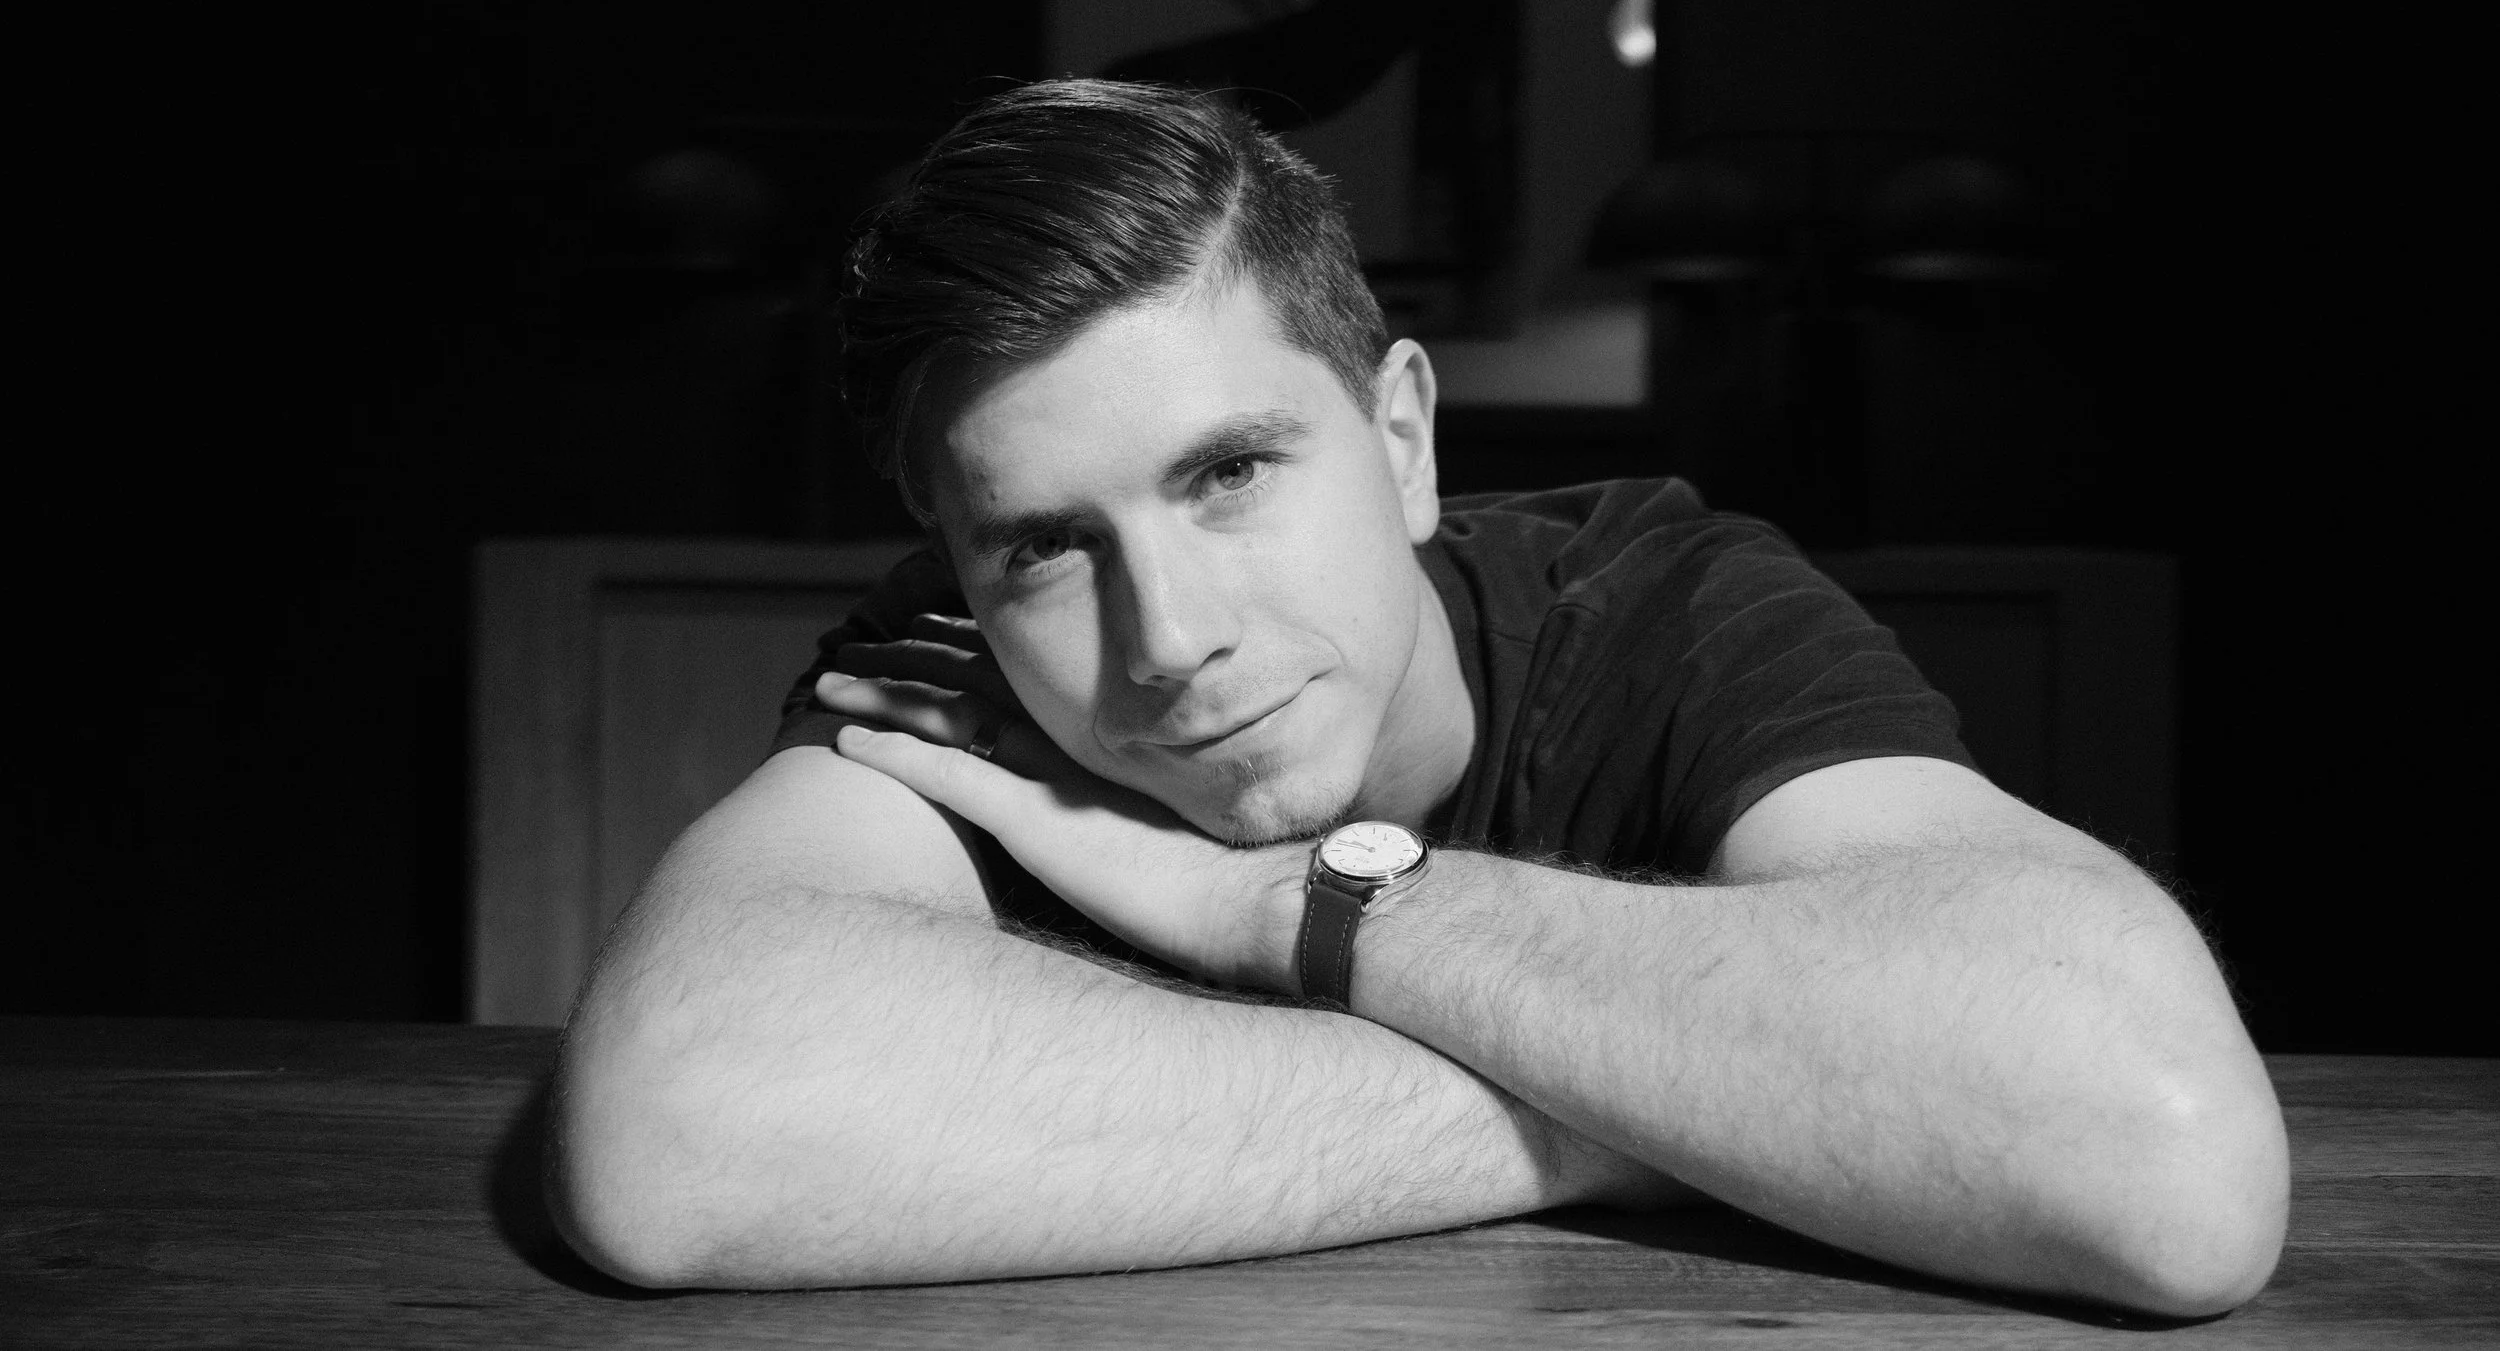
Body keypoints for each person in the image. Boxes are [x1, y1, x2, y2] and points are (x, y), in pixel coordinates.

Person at [546, 80, 2286, 1314]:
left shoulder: (1662, 602)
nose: (1169, 638)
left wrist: (1310, 911)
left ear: (1401, 435)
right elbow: (680, 1131)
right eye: (1047, 549)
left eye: (1228, 471)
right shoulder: (951, 662)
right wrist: (1667, 1109)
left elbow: (2167, 1153)